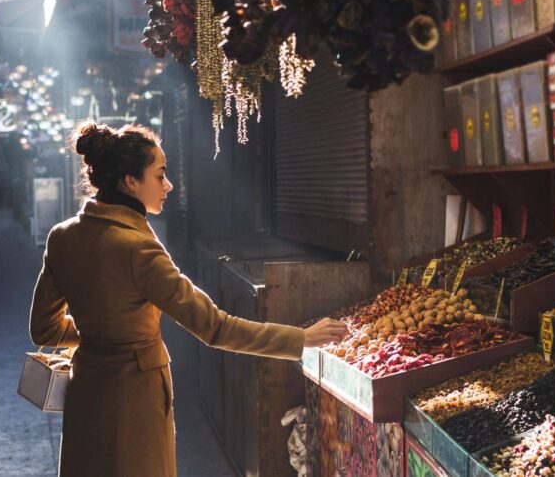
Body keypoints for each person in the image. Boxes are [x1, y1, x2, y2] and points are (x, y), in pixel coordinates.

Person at [29, 121, 348, 476]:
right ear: (130, 182)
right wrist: (300, 339)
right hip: (135, 397)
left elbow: (44, 330)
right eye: (160, 175)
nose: (169, 185)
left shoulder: (62, 236)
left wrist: (96, 334)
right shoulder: (138, 248)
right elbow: (213, 327)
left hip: (86, 389)